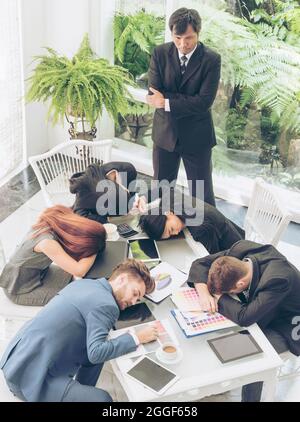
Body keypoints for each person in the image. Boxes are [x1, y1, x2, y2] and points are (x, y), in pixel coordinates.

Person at [0, 259, 157, 402]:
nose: (134, 301)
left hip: (19, 359)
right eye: (135, 294)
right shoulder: (107, 305)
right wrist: (136, 338)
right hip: (31, 380)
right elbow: (96, 353)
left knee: (97, 353)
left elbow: (93, 353)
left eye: (138, 299)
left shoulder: (85, 284)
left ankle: (80, 392)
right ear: (122, 279)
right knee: (103, 399)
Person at [188, 240, 300, 402]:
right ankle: (218, 386)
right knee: (219, 338)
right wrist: (204, 293)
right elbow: (199, 264)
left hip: (290, 325)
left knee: (252, 352)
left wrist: (219, 297)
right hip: (268, 312)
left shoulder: (278, 279)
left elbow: (245, 317)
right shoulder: (239, 250)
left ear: (240, 284)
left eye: (229, 292)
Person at [147, 8, 221, 206]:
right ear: (171, 33)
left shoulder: (211, 60)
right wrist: (187, 100)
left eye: (189, 38)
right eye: (177, 37)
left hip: (197, 138)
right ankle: (160, 231)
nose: (182, 44)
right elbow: (154, 94)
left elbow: (204, 102)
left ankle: (208, 235)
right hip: (165, 135)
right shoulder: (159, 53)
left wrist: (167, 101)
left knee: (202, 197)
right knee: (160, 194)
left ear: (198, 33)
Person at [0, 205, 106, 306]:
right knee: (75, 296)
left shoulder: (58, 214)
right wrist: (95, 248)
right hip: (20, 289)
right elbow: (79, 271)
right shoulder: (47, 243)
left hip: (40, 273)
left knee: (82, 283)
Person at [139, 195, 244, 254]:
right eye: (170, 235)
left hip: (236, 252)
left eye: (171, 229)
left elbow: (212, 258)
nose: (175, 233)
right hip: (233, 230)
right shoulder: (169, 200)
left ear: (169, 214)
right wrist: (143, 199)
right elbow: (159, 190)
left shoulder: (199, 229)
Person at [70, 161, 146, 223]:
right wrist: (107, 220)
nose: (126, 190)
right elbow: (79, 215)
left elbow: (131, 193)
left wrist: (137, 199)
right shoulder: (82, 201)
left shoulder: (128, 170)